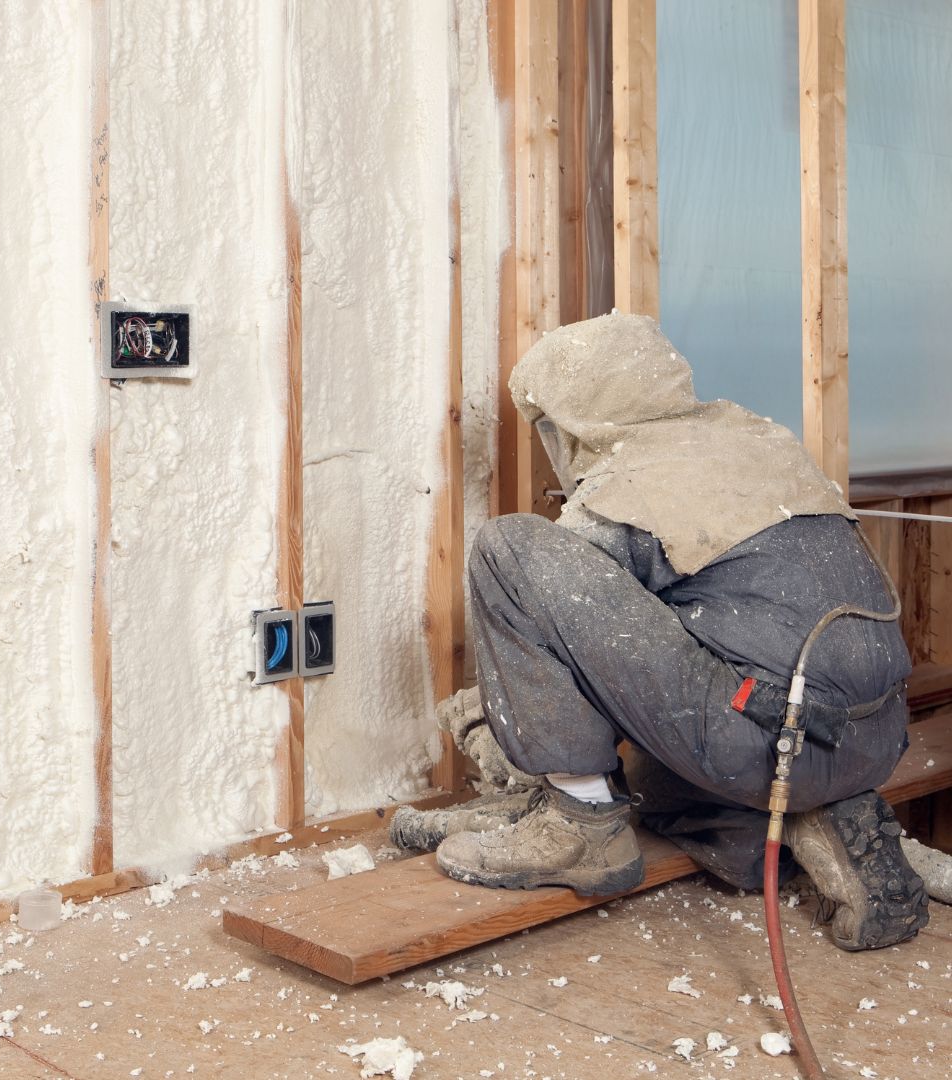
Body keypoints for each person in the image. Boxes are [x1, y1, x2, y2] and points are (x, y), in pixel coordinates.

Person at [392, 312, 928, 952]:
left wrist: (496, 726)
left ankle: (580, 825)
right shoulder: (757, 440)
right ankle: (803, 826)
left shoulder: (631, 485)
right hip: (869, 737)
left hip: (764, 740)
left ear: (576, 420)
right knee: (650, 784)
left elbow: (555, 632)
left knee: (509, 549)